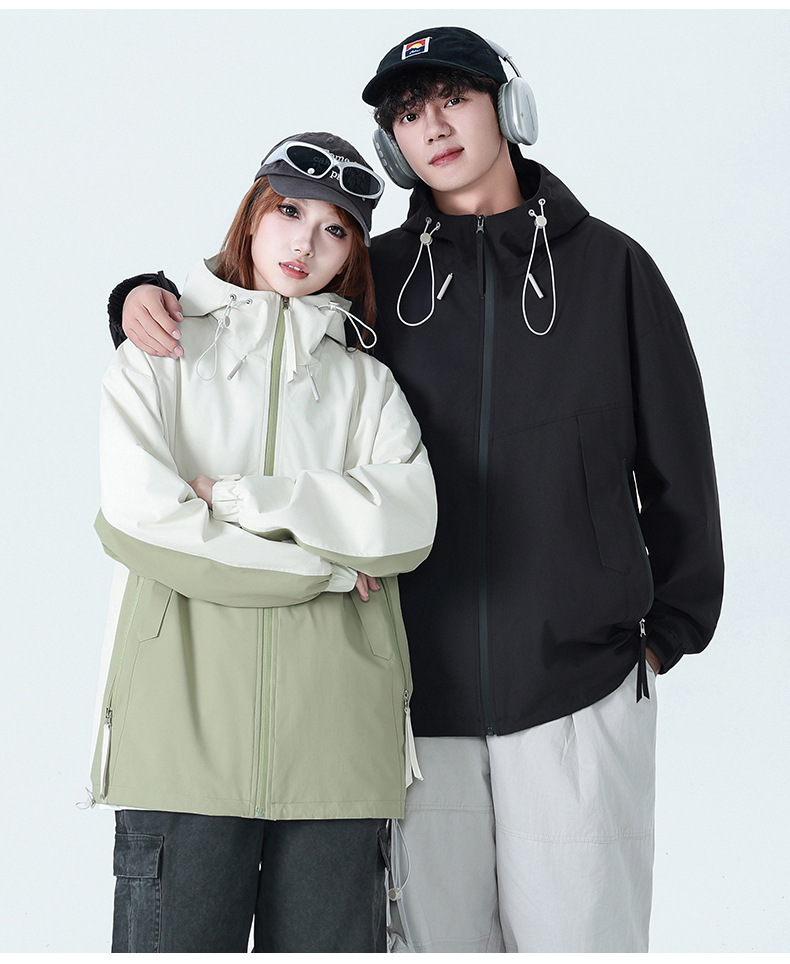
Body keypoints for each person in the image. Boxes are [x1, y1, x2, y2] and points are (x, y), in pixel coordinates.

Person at [106, 27, 724, 953]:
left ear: (506, 108)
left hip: (581, 683)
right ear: (391, 145)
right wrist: (137, 292)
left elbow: (680, 458)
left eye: (452, 99)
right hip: (412, 699)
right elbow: (251, 318)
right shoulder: (374, 276)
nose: (431, 125)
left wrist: (669, 633)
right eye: (406, 113)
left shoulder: (613, 269)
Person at [91, 130, 437, 953]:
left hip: (339, 747)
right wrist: (322, 569)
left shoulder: (366, 383)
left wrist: (236, 497)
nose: (304, 243)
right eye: (289, 212)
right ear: (251, 215)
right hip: (180, 741)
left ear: (352, 253)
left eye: (334, 229)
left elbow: (407, 519)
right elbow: (141, 520)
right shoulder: (160, 355)